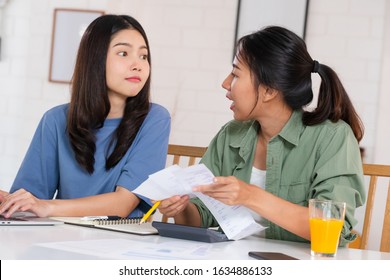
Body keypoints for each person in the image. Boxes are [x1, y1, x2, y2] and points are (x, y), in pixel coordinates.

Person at [157, 26, 365, 246]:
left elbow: (333, 227)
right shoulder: (230, 135)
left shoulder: (332, 137)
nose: (226, 83)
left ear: (269, 90)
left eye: (236, 74)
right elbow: (204, 213)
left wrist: (250, 195)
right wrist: (181, 209)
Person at [0, 15, 171, 219]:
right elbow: (31, 200)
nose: (138, 65)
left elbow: (122, 204)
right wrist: (15, 203)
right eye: (123, 53)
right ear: (95, 59)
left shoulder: (155, 119)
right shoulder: (55, 120)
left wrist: (47, 207)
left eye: (144, 56)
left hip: (120, 243)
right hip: (59, 238)